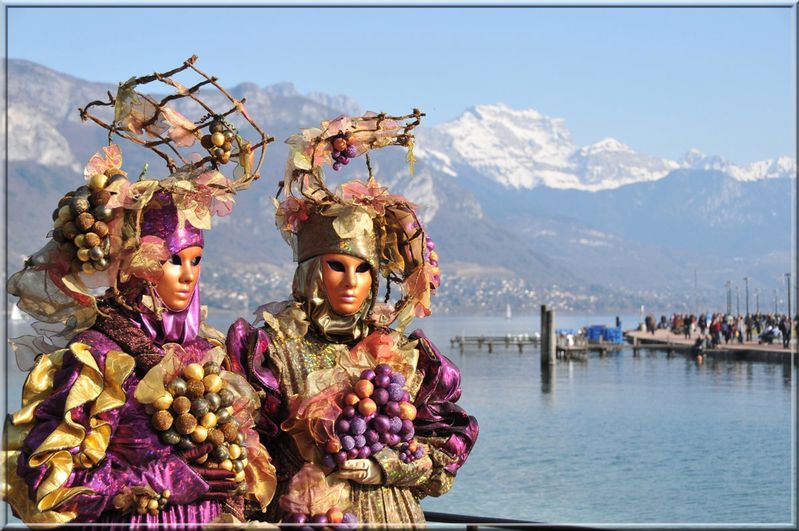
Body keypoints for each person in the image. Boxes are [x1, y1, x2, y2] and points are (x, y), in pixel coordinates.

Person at [3, 61, 275, 526]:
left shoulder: (204, 353)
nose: (187, 276)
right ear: (133, 265)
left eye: (195, 260)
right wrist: (164, 479)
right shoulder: (100, 357)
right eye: (173, 260)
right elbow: (49, 478)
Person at [226, 112, 478, 525]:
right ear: (310, 273)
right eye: (336, 267)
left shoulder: (401, 354)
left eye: (363, 270)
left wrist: (386, 466)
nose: (350, 282)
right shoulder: (272, 353)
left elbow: (440, 456)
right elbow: (244, 456)